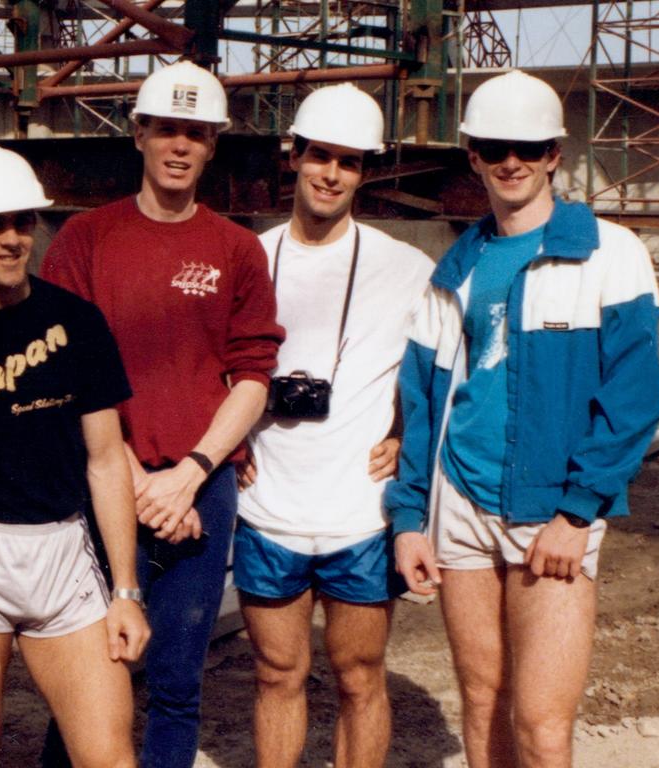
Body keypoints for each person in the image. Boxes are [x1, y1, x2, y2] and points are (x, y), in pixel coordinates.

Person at [386, 70, 659, 768]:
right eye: (495, 147)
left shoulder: (609, 253)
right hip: (460, 504)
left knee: (541, 725)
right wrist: (409, 518)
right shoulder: (456, 266)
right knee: (482, 703)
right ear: (473, 155)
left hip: (551, 509)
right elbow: (421, 403)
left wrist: (577, 513)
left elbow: (634, 400)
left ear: (554, 156)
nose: (512, 161)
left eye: (529, 147)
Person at [38, 60, 285, 768]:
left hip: (198, 489)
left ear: (213, 145)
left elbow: (252, 374)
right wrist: (130, 481)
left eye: (196, 134)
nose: (180, 146)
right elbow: (66, 371)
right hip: (100, 480)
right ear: (138, 133)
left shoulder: (236, 251)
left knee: (178, 683)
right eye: (167, 129)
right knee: (92, 678)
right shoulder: (86, 240)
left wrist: (188, 476)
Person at [0, 144, 151, 767]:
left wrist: (127, 590)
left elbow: (106, 460)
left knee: (110, 756)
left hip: (62, 552)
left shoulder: (76, 320)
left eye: (23, 221)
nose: (11, 238)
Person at [235, 84, 433, 768]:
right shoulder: (246, 259)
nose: (330, 174)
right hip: (269, 510)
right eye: (321, 155)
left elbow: (436, 376)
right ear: (294, 155)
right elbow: (210, 372)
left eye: (348, 162)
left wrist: (408, 436)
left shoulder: (406, 269)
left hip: (360, 515)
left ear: (365, 172)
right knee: (276, 676)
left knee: (358, 677)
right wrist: (228, 444)